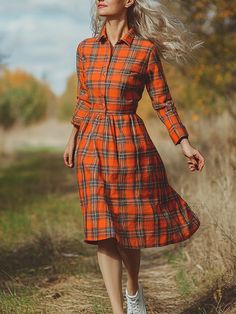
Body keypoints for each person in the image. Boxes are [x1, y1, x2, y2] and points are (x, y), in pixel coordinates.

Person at [63, 0, 205, 313]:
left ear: (128, 1)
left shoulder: (145, 51)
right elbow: (83, 98)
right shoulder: (85, 49)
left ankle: (132, 288)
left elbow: (163, 102)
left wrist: (183, 142)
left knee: (126, 229)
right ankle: (118, 310)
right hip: (90, 145)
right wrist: (72, 137)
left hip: (128, 145)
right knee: (103, 230)